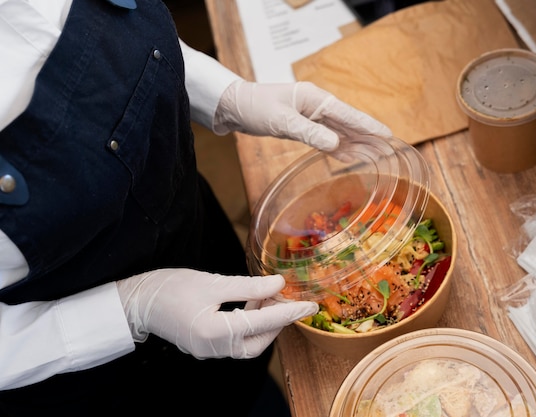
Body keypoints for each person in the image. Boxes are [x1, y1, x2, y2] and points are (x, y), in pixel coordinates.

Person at [0, 0, 392, 415]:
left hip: (196, 241)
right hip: (90, 380)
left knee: (253, 394)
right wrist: (134, 306)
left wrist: (227, 95)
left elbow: (117, 34)